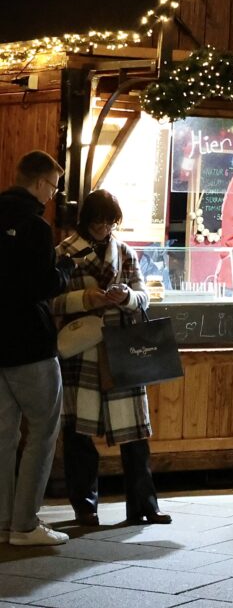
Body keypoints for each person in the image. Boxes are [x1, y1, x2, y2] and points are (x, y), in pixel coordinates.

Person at [54, 190, 169, 526]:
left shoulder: (126, 252)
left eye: (110, 221)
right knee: (79, 432)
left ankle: (144, 505)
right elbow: (53, 304)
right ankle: (85, 507)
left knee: (133, 433)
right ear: (85, 220)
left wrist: (128, 295)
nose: (104, 227)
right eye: (98, 220)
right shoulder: (64, 253)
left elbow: (144, 297)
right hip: (82, 349)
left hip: (122, 347)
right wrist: (85, 299)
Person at [0, 151, 74, 547]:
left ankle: (1, 523)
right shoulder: (36, 226)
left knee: (3, 435)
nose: (53, 195)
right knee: (43, 429)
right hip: (29, 343)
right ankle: (24, 525)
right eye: (53, 187)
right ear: (40, 183)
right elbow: (41, 285)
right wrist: (64, 272)